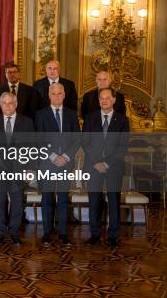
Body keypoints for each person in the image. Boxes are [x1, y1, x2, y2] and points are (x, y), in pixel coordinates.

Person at [0, 92, 35, 245]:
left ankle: (14, 232)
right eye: (4, 103)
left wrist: (30, 169)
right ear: (0, 105)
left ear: (16, 104)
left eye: (10, 103)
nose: (7, 106)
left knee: (17, 201)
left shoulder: (27, 122)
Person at [34, 83, 80, 246]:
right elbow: (39, 139)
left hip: (66, 164)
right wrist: (53, 156)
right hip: (47, 163)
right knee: (46, 199)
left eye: (59, 93)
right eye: (54, 93)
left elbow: (77, 139)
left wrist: (66, 157)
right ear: (49, 95)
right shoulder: (40, 115)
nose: (57, 96)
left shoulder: (72, 114)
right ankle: (47, 233)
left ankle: (63, 233)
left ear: (64, 95)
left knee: (62, 199)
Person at [82, 87, 130, 247]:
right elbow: (85, 143)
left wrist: (107, 163)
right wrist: (97, 162)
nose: (104, 100)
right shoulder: (90, 118)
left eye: (107, 98)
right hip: (93, 166)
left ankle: (113, 236)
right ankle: (95, 235)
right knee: (94, 201)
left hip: (113, 167)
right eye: (101, 98)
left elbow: (122, 146)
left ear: (114, 100)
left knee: (114, 202)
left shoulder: (122, 120)